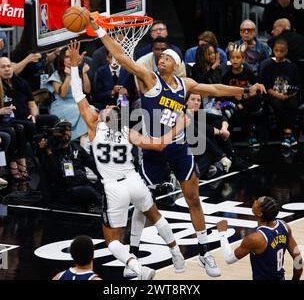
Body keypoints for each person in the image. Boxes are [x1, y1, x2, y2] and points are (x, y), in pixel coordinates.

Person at [88, 16, 266, 277]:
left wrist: (246, 89)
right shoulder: (150, 79)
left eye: (167, 58)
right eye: (160, 58)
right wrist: (102, 32)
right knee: (142, 204)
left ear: (177, 64)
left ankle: (205, 252)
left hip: (178, 146)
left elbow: (215, 88)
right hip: (152, 149)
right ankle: (134, 257)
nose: (161, 60)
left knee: (193, 198)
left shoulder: (186, 85)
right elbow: (124, 59)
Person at [69, 40, 187, 280]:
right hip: (134, 180)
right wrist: (178, 127)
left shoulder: (94, 127)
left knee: (112, 241)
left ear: (103, 117)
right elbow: (160, 144)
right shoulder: (127, 131)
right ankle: (176, 253)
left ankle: (137, 268)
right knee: (156, 216)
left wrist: (73, 67)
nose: (105, 108)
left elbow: (78, 95)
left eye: (106, 108)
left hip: (113, 188)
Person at [217, 196, 303, 280]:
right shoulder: (284, 226)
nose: (254, 201)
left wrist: (222, 233)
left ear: (260, 213)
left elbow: (229, 259)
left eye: (257, 201)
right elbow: (298, 259)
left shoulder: (255, 239)